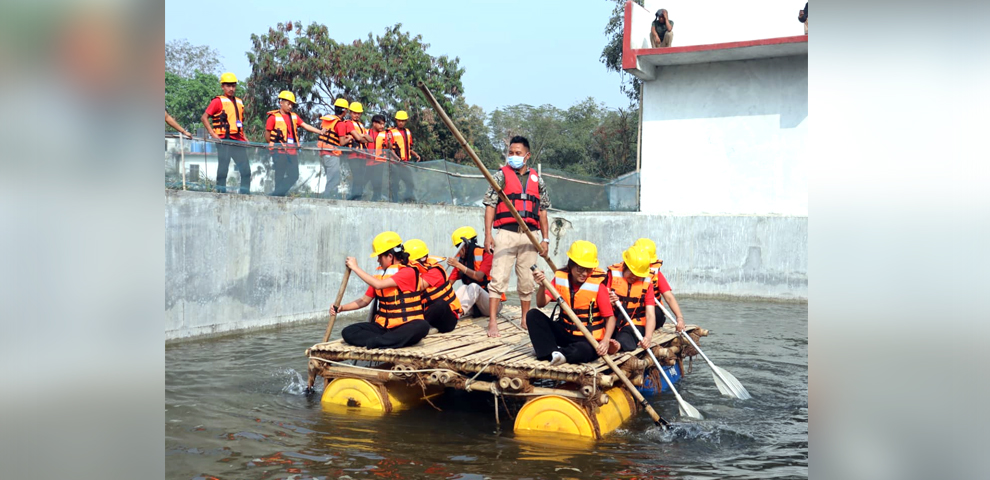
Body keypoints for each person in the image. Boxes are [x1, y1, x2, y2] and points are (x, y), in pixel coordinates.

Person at [482, 136, 551, 337]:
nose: (513, 156)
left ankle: (524, 318)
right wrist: (488, 235)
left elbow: (543, 211)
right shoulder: (501, 175)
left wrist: (545, 239)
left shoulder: (538, 180)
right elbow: (490, 205)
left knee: (527, 280)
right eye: (510, 153)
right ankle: (493, 322)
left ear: (527, 156)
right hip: (506, 234)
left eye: (518, 153)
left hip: (530, 236)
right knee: (498, 278)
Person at [527, 240, 619, 365]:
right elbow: (541, 303)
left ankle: (560, 354)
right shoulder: (560, 277)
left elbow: (610, 318)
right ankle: (551, 352)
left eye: (588, 270)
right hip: (565, 332)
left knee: (584, 351)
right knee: (532, 315)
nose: (584, 274)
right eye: (580, 269)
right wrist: (542, 286)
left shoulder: (598, 285)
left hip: (587, 338)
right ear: (571, 265)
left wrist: (606, 340)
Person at [335, 231, 432, 348]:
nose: (378, 260)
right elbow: (364, 301)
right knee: (348, 331)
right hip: (384, 328)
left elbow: (379, 285)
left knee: (422, 326)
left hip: (405, 326)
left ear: (390, 256)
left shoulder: (407, 272)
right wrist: (341, 308)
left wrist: (355, 268)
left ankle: (379, 342)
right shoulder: (380, 275)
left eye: (379, 257)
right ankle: (382, 342)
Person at [265, 91, 326, 197]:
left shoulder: (294, 116)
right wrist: (273, 145)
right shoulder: (273, 117)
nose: (290, 106)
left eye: (292, 104)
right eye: (288, 104)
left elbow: (305, 125)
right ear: (281, 103)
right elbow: (267, 135)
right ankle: (278, 197)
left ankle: (276, 194)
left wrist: (319, 132)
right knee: (279, 175)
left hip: (292, 151)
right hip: (279, 151)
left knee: (294, 175)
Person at [200, 72, 251, 194]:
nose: (231, 88)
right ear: (223, 86)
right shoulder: (218, 101)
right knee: (223, 168)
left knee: (246, 171)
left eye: (233, 86)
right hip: (224, 140)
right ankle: (220, 194)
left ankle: (244, 195)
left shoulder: (239, 102)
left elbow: (239, 122)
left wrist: (245, 137)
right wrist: (213, 134)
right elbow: (204, 117)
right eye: (228, 86)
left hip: (238, 140)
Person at [607, 245, 659, 352]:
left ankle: (618, 346)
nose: (634, 277)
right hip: (612, 320)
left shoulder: (647, 283)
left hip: (633, 322)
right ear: (625, 265)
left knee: (629, 334)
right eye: (632, 272)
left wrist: (648, 337)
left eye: (638, 275)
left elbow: (650, 314)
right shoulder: (610, 276)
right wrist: (608, 301)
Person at [405, 239, 462, 334]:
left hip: (446, 320)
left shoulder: (434, 271)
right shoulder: (415, 272)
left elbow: (418, 286)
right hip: (428, 315)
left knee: (441, 304)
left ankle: (419, 328)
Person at [445, 226, 504, 318]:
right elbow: (448, 284)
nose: (458, 251)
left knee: (473, 286)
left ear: (466, 245)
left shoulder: (487, 254)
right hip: (475, 305)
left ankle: (456, 315)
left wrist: (458, 265)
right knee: (464, 287)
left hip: (492, 305)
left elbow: (478, 276)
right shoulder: (460, 260)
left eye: (458, 247)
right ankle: (447, 311)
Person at [633, 238, 686, 332]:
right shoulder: (625, 272)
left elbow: (669, 297)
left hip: (652, 312)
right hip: (632, 311)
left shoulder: (655, 274)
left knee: (654, 313)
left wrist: (679, 318)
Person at [317, 98, 351, 199]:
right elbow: (341, 142)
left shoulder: (328, 120)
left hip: (323, 153)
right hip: (332, 153)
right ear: (344, 111)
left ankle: (331, 196)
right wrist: (349, 138)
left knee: (331, 178)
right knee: (333, 179)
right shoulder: (339, 124)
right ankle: (328, 199)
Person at [386, 110, 421, 202]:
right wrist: (395, 157)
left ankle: (407, 200)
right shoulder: (391, 132)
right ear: (396, 120)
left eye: (403, 120)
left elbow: (408, 147)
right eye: (399, 120)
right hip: (395, 163)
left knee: (410, 183)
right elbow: (389, 148)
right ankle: (395, 202)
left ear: (406, 121)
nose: (401, 122)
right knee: (395, 185)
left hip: (405, 163)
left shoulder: (408, 132)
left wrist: (415, 154)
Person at [344, 102, 375, 200]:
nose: (356, 115)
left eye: (358, 113)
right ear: (350, 113)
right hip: (353, 154)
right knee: (357, 177)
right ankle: (353, 197)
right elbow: (359, 138)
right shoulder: (348, 123)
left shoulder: (361, 125)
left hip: (362, 155)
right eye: (354, 113)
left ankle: (358, 197)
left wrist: (362, 136)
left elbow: (370, 139)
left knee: (361, 178)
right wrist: (361, 137)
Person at [363, 114, 392, 201]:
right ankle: (359, 198)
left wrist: (389, 140)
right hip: (366, 163)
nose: (382, 126)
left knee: (377, 184)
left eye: (383, 124)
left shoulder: (385, 134)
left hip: (379, 163)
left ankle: (376, 200)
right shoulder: (367, 132)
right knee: (362, 182)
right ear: (374, 123)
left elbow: (389, 148)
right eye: (380, 124)